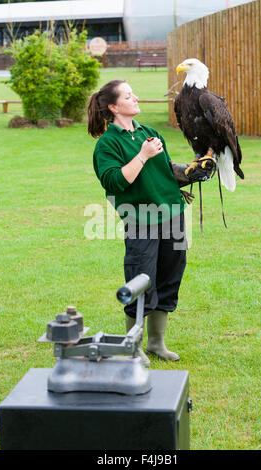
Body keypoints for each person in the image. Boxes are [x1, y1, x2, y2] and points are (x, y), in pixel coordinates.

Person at [87, 79, 187, 366]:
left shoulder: (151, 132)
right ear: (113, 106)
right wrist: (143, 155)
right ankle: (134, 345)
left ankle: (156, 343)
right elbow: (116, 181)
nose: (136, 98)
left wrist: (192, 170)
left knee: (170, 275)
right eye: (129, 96)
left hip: (173, 214)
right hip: (141, 218)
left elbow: (167, 171)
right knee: (141, 278)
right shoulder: (108, 144)